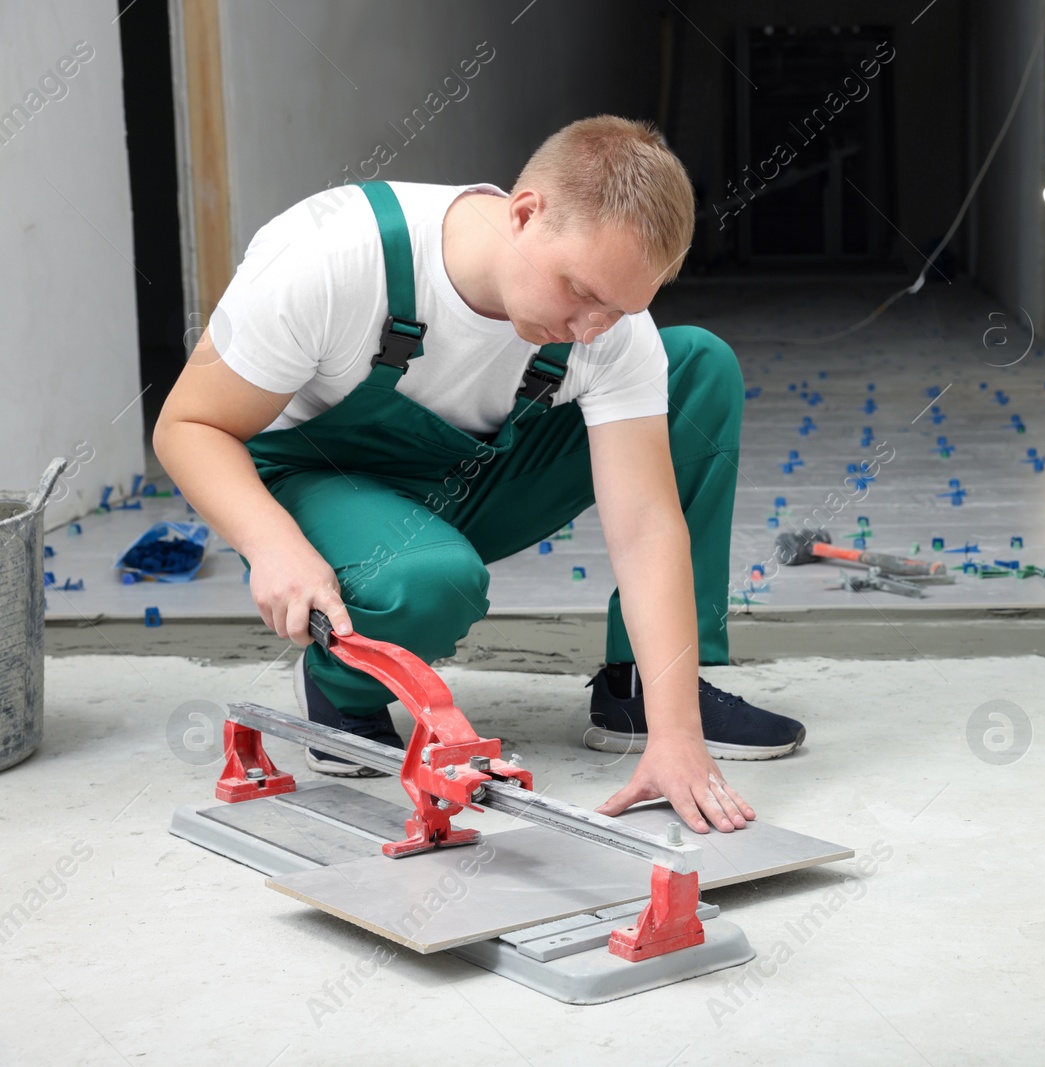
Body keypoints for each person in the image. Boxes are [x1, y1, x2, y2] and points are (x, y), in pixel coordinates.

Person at [153, 116, 804, 835]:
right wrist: (273, 542)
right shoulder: (333, 256)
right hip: (316, 480)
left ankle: (642, 690)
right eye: (579, 292)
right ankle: (345, 684)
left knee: (695, 367)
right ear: (525, 213)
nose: (592, 328)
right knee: (429, 578)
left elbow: (648, 527)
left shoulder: (609, 330)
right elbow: (188, 426)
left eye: (619, 309)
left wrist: (675, 737)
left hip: (465, 476)